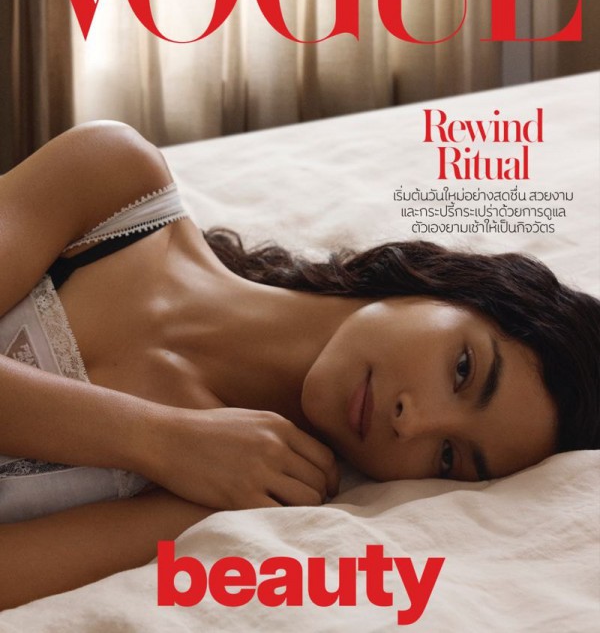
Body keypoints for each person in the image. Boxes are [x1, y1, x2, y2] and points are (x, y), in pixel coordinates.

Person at [0, 121, 598, 609]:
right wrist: (158, 439)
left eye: (448, 456)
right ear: (452, 289)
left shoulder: (249, 489)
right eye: (463, 371)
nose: (411, 421)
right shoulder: (114, 185)